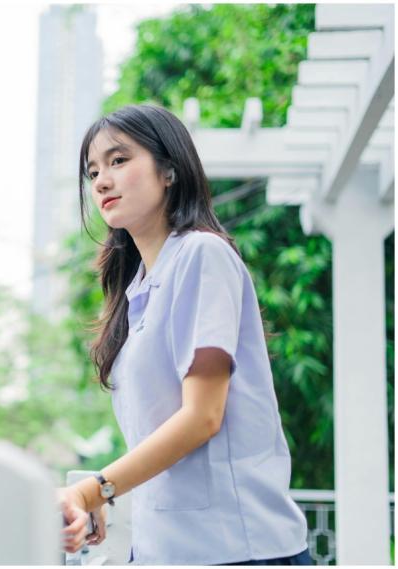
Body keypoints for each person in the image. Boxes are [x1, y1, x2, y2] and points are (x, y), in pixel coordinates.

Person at [57, 105, 311, 565]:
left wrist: (94, 489)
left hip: (235, 550)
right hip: (165, 551)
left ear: (169, 170)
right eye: (93, 171)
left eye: (118, 161)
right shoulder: (136, 291)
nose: (100, 181)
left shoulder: (201, 255)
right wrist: (101, 495)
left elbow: (202, 417)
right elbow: (157, 428)